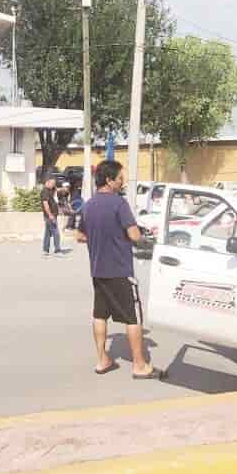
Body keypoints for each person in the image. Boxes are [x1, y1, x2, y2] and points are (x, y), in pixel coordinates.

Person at [74, 159, 163, 379]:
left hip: (98, 271)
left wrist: (100, 238)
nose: (123, 182)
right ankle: (140, 365)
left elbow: (80, 236)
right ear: (109, 180)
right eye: (120, 178)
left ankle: (102, 359)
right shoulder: (119, 204)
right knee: (132, 318)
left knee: (100, 315)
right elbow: (134, 235)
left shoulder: (88, 205)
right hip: (120, 271)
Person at [40, 172, 66, 257]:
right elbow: (45, 204)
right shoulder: (44, 191)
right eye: (52, 183)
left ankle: (45, 250)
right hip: (49, 216)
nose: (53, 185)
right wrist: (50, 215)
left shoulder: (51, 189)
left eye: (54, 184)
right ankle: (57, 250)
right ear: (47, 182)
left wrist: (63, 189)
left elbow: (56, 193)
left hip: (53, 214)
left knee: (47, 233)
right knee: (56, 232)